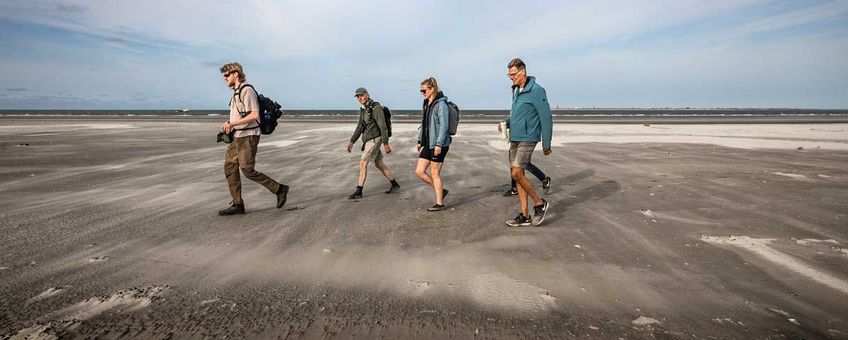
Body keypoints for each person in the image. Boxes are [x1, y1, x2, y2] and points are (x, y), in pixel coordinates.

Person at [217, 62, 288, 215]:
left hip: (248, 136)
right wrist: (230, 124)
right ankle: (237, 204)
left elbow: (254, 115)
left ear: (235, 74)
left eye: (226, 75)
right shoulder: (235, 92)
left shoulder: (247, 90)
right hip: (237, 136)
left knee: (247, 170)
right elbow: (240, 114)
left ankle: (279, 189)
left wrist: (233, 123)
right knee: (229, 168)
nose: (225, 78)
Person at [500, 58, 553, 227]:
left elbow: (546, 118)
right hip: (515, 137)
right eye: (509, 75)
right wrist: (507, 122)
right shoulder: (516, 90)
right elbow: (518, 113)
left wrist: (546, 143)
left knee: (516, 173)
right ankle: (524, 215)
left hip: (529, 137)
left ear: (523, 71)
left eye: (513, 74)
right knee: (518, 176)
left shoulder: (537, 91)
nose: (511, 78)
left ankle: (539, 204)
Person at [346, 87, 400, 199]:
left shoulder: (376, 108)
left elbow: (383, 127)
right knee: (378, 163)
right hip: (369, 140)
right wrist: (352, 141)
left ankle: (359, 191)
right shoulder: (363, 109)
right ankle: (394, 184)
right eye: (357, 96)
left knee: (363, 163)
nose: (359, 98)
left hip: (375, 139)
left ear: (367, 95)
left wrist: (385, 143)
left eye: (361, 95)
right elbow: (360, 127)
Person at [415, 77, 451, 211]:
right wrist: (420, 140)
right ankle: (441, 190)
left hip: (439, 144)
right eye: (421, 91)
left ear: (432, 88)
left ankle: (439, 203)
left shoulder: (441, 104)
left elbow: (444, 126)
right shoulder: (426, 103)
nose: (422, 93)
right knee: (419, 171)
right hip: (428, 143)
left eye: (424, 90)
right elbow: (424, 123)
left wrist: (439, 145)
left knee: (434, 172)